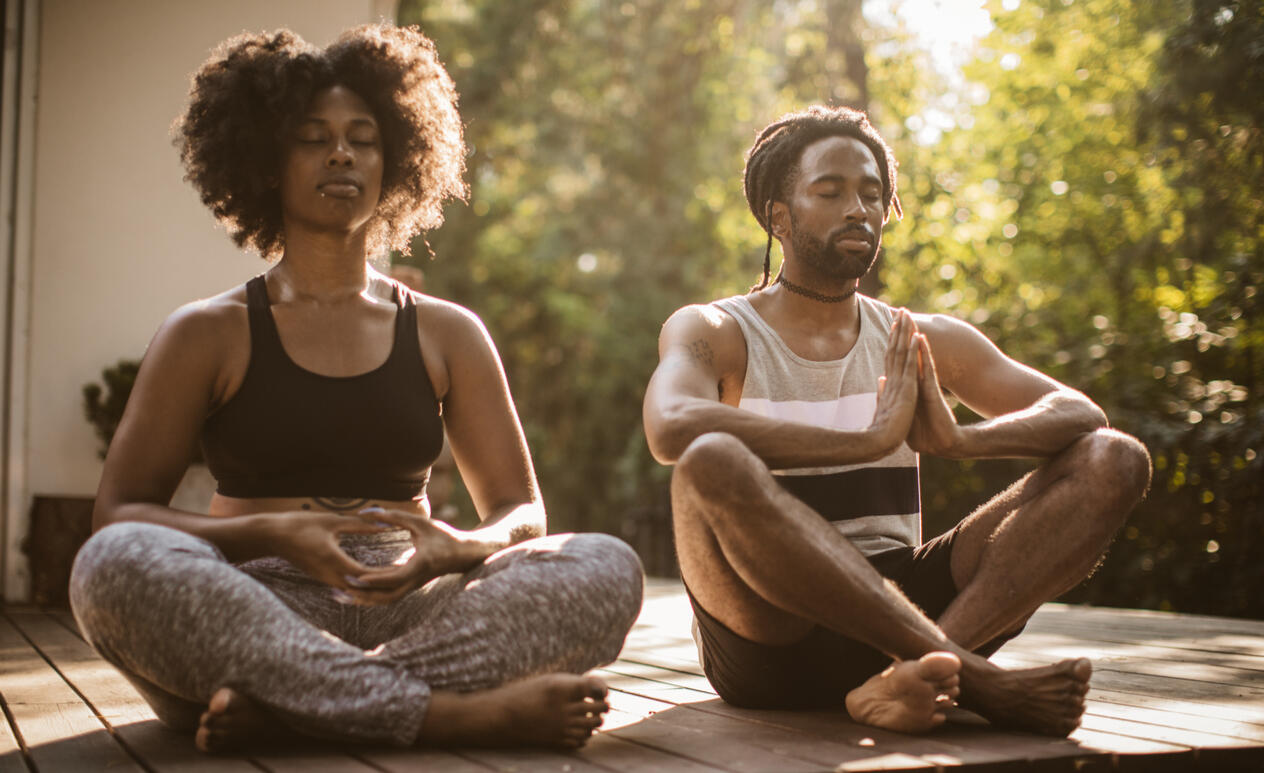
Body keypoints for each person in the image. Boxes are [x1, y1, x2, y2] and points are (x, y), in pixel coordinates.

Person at [69, 25, 643, 753]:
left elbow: (521, 512)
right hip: (256, 606)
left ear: (394, 161)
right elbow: (118, 514)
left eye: (363, 139)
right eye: (313, 138)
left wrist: (459, 547)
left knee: (605, 566)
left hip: (414, 606)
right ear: (266, 162)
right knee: (111, 566)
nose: (341, 153)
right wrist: (271, 533)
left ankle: (299, 707)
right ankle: (449, 715)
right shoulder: (206, 332)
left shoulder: (447, 332)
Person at [641, 105, 1151, 737]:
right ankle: (968, 676)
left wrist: (959, 440)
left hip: (905, 607)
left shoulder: (919, 337)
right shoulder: (717, 329)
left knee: (1114, 458)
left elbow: (1081, 414)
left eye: (872, 193)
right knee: (707, 461)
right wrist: (866, 441)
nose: (858, 209)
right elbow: (671, 425)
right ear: (779, 217)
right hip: (772, 639)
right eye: (830, 192)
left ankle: (917, 673)